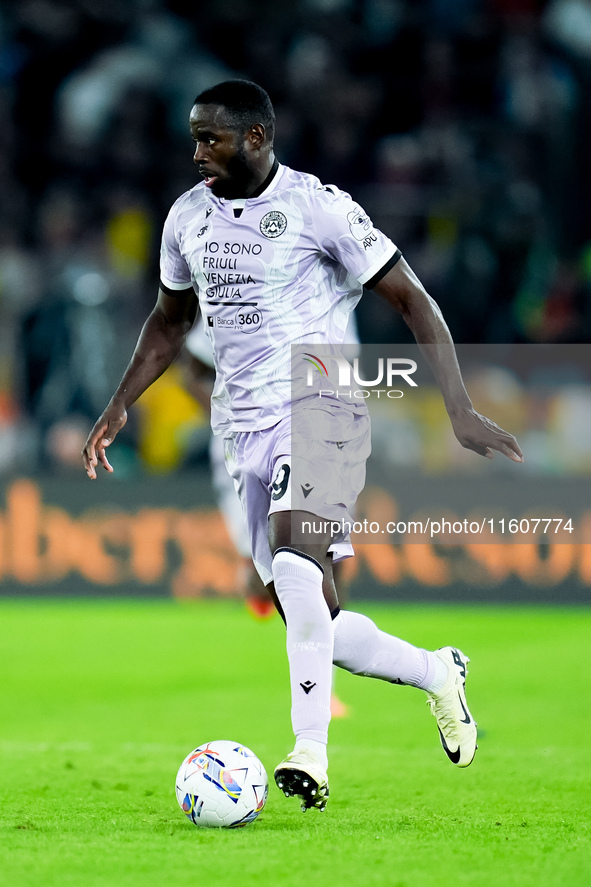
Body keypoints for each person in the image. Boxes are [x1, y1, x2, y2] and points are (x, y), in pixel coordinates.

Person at [82, 79, 523, 814]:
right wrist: (117, 407)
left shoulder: (318, 207)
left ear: (256, 137)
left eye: (211, 139)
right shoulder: (187, 218)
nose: (196, 153)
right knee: (312, 609)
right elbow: (167, 321)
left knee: (292, 565)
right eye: (193, 137)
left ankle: (309, 754)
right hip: (240, 425)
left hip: (322, 407)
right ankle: (434, 670)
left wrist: (459, 408)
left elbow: (413, 297)